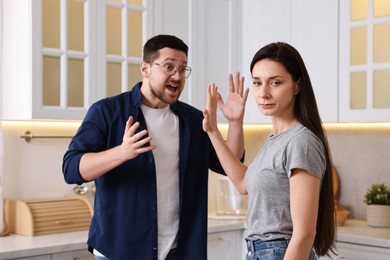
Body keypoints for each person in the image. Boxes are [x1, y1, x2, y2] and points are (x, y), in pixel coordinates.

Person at [62, 34, 246, 260]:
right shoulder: (107, 112)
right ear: (145, 68)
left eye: (183, 69)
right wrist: (121, 153)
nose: (177, 76)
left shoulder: (193, 120)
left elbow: (230, 165)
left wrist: (235, 123)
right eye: (169, 66)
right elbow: (72, 169)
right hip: (121, 249)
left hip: (179, 249)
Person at [202, 42, 335, 259]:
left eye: (275, 83)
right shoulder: (275, 139)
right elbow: (243, 183)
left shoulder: (301, 141)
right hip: (259, 252)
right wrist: (214, 132)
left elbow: (304, 234)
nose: (263, 93)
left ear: (297, 85)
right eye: (257, 83)